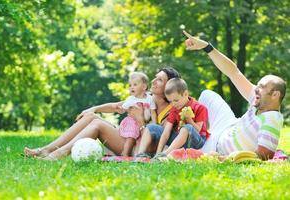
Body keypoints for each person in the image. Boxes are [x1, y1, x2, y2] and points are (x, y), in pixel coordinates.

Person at [23, 67, 180, 160]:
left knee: (97, 124)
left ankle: (57, 154)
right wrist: (93, 109)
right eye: (155, 77)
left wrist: (140, 121)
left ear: (169, 85)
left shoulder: (171, 110)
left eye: (159, 80)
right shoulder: (145, 98)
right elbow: (116, 106)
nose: (153, 81)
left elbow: (159, 140)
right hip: (125, 137)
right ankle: (47, 149)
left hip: (134, 149)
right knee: (91, 117)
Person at [183, 30, 286, 160]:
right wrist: (206, 47)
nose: (256, 89)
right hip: (227, 126)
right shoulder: (258, 100)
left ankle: (194, 139)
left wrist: (224, 158)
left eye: (262, 87)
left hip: (217, 147)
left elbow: (263, 156)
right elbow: (234, 72)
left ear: (275, 95)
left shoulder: (271, 119)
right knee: (206, 95)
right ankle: (200, 134)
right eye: (258, 85)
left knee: (178, 150)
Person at [137, 78, 209, 159]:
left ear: (185, 94)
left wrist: (189, 120)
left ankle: (166, 154)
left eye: (176, 100)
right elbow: (166, 132)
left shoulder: (200, 108)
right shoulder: (174, 109)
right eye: (170, 101)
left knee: (187, 127)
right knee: (151, 127)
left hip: (196, 140)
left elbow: (198, 130)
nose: (173, 104)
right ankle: (140, 155)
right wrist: (158, 152)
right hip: (178, 140)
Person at [118, 72, 157, 156]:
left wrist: (154, 124)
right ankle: (125, 154)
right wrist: (121, 109)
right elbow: (123, 109)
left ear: (144, 87)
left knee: (140, 139)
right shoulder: (131, 99)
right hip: (131, 122)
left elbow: (153, 112)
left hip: (144, 123)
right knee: (130, 138)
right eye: (130, 85)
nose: (131, 87)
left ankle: (137, 154)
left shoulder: (150, 99)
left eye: (135, 84)